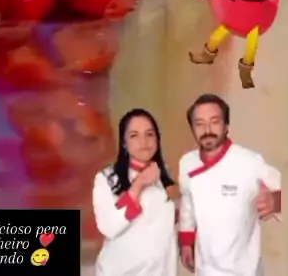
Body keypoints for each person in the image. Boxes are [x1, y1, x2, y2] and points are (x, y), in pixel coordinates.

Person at [178, 93, 282, 275]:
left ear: (226, 126)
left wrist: (275, 201)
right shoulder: (187, 162)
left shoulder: (250, 162)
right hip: (206, 269)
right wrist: (186, 242)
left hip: (245, 270)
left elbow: (279, 187)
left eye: (214, 122)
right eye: (199, 123)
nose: (207, 130)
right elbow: (188, 204)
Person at [93, 108, 177, 276]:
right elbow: (108, 227)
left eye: (149, 134)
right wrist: (138, 186)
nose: (143, 141)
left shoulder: (165, 178)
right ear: (124, 143)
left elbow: (167, 240)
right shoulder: (107, 178)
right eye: (134, 135)